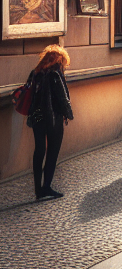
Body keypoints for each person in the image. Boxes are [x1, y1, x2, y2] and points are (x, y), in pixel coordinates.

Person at [25, 45, 74, 200]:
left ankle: (38, 189)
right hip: (54, 118)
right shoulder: (55, 74)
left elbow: (30, 93)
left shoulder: (35, 73)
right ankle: (46, 187)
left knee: (39, 151)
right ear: (60, 60)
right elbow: (62, 98)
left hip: (37, 117)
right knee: (52, 152)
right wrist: (69, 114)